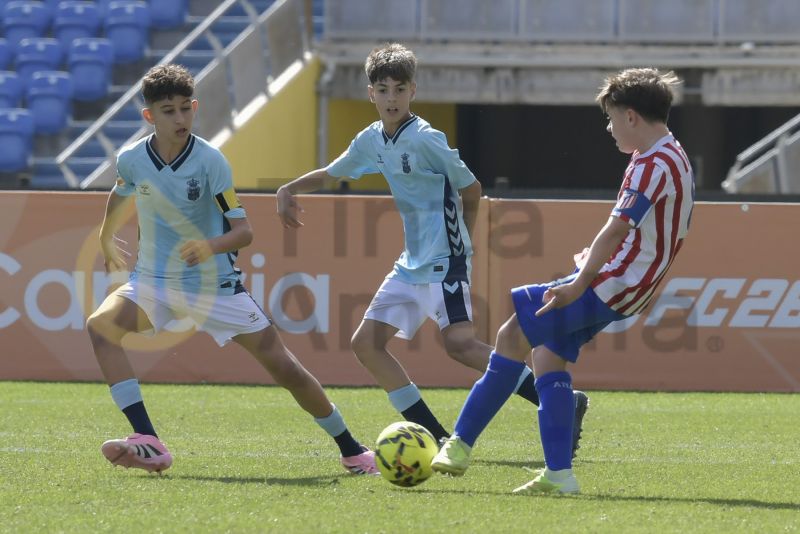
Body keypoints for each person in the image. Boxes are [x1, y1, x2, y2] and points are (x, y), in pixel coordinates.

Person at [276, 43, 588, 452]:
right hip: (411, 264)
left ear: (413, 92)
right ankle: (437, 437)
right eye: (383, 89)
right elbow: (335, 171)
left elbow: (472, 188)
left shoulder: (426, 139)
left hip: (446, 261)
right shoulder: (371, 140)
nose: (391, 98)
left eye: (399, 89)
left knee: (459, 345)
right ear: (371, 93)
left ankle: (559, 398)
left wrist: (463, 239)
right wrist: (290, 187)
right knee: (366, 344)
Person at [86, 64, 377, 475]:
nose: (180, 118)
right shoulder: (133, 159)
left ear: (195, 108)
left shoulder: (210, 161)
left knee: (285, 368)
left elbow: (244, 232)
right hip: (153, 283)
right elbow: (120, 194)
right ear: (149, 116)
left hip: (216, 287)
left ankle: (352, 450)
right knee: (101, 328)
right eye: (168, 111)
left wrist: (209, 246)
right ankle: (148, 441)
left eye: (186, 109)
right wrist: (104, 237)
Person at [431, 68, 694, 494]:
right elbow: (665, 231)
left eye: (610, 119)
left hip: (613, 280)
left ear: (631, 116)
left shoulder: (652, 163)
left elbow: (616, 229)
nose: (609, 129)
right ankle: (559, 474)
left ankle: (458, 445)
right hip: (626, 284)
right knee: (548, 357)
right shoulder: (674, 154)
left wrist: (579, 281)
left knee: (512, 333)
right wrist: (629, 280)